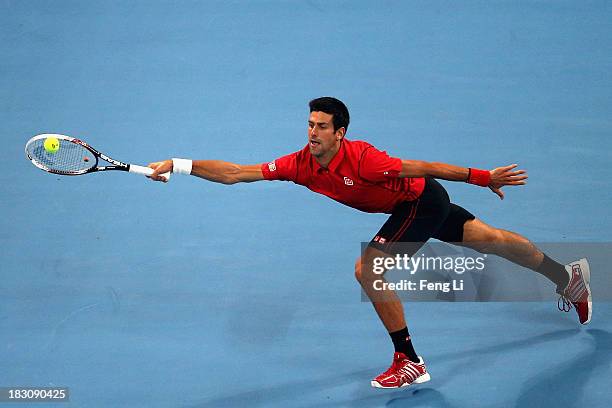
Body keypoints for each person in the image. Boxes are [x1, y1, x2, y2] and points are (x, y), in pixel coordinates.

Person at [146, 97, 592, 389]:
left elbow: (424, 165)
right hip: (409, 208)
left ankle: (409, 359)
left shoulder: (365, 159)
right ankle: (566, 277)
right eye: (309, 124)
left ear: (340, 132)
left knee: (369, 270)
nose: (312, 133)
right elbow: (236, 172)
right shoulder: (300, 163)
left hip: (420, 201)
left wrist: (482, 177)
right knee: (491, 240)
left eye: (321, 126)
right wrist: (178, 163)